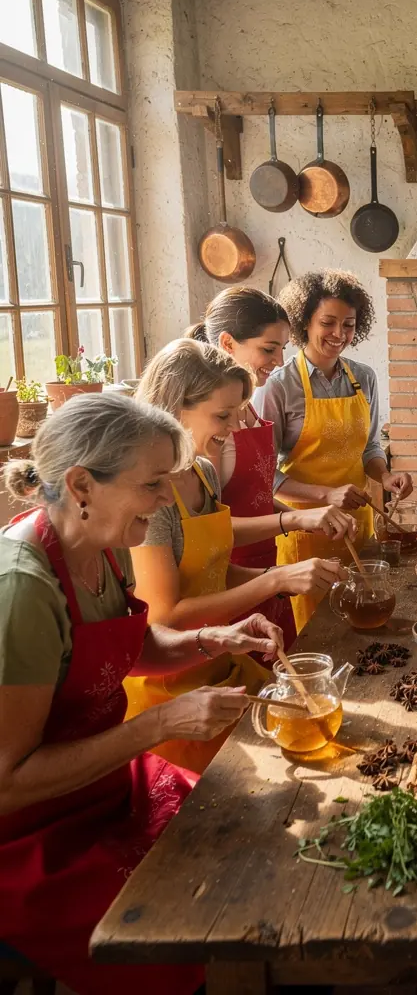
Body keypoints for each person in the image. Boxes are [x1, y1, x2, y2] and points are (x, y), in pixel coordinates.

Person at [0, 393, 283, 995]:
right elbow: (9, 781)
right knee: (187, 918)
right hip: (31, 835)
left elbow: (128, 644)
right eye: (152, 484)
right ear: (82, 484)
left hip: (103, 788)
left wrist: (211, 639)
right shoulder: (22, 588)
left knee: (255, 837)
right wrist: (160, 724)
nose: (163, 500)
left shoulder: (103, 544)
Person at [129, 339, 344, 772]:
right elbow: (166, 618)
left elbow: (214, 570)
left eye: (237, 413)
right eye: (222, 415)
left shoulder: (204, 473)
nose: (234, 428)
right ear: (175, 409)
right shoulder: (150, 496)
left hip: (218, 664)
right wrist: (274, 580)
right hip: (171, 693)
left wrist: (279, 575)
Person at [187, 286, 357, 649]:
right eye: (268, 349)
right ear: (228, 343)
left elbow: (259, 495)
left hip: (268, 565)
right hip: (232, 579)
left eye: (283, 349)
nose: (279, 361)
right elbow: (208, 532)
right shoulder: (210, 428)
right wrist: (295, 519)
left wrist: (306, 517)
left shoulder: (246, 408)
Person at [253, 270, 413, 631]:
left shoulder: (364, 377)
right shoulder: (277, 386)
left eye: (349, 325)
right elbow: (265, 477)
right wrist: (326, 494)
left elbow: (370, 447)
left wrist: (386, 476)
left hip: (357, 525)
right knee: (316, 633)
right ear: (304, 322)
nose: (339, 334)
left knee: (363, 623)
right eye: (328, 322)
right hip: (306, 530)